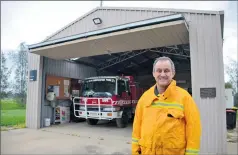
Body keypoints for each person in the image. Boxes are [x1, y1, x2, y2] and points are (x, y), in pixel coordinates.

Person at [132, 56, 202, 155]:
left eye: (166, 70)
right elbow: (136, 128)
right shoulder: (144, 98)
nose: (163, 74)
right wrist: (135, 151)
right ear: (153, 73)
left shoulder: (185, 98)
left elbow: (194, 129)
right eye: (159, 71)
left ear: (173, 73)